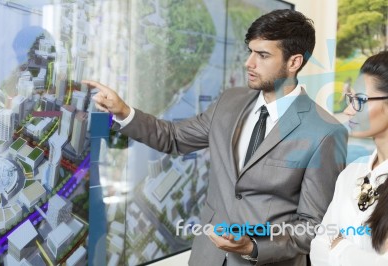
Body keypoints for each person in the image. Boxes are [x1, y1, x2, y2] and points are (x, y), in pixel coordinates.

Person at [84, 9, 347, 266]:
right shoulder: (229, 101)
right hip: (206, 257)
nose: (249, 63)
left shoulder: (324, 132)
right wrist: (123, 111)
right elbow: (173, 137)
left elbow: (312, 226)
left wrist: (253, 247)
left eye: (263, 55)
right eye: (250, 52)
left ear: (294, 62)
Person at [310, 51, 388, 265]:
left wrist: (339, 246)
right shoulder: (352, 172)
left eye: (360, 100)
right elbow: (317, 248)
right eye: (350, 98)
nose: (348, 110)